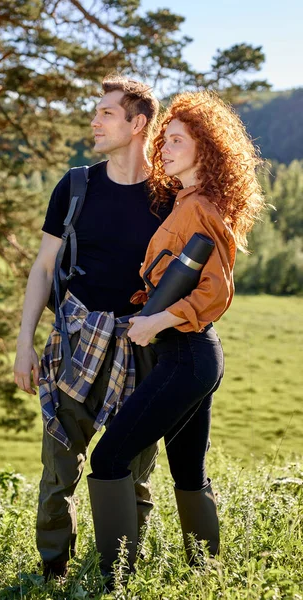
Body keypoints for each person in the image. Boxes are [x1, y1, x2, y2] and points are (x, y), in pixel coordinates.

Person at [87, 90, 266, 575]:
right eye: (162, 139)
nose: (164, 147)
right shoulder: (187, 203)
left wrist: (156, 321)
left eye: (177, 140)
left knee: (108, 459)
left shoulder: (197, 208)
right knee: (188, 471)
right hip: (193, 355)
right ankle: (206, 574)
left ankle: (114, 578)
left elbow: (216, 293)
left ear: (205, 148)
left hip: (186, 353)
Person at [13, 75, 174, 579]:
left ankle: (118, 573)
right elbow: (43, 268)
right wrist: (24, 346)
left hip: (144, 347)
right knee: (59, 467)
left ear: (137, 123)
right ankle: (52, 571)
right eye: (96, 111)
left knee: (134, 471)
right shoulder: (76, 185)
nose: (94, 120)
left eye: (106, 113)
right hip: (76, 341)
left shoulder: (170, 195)